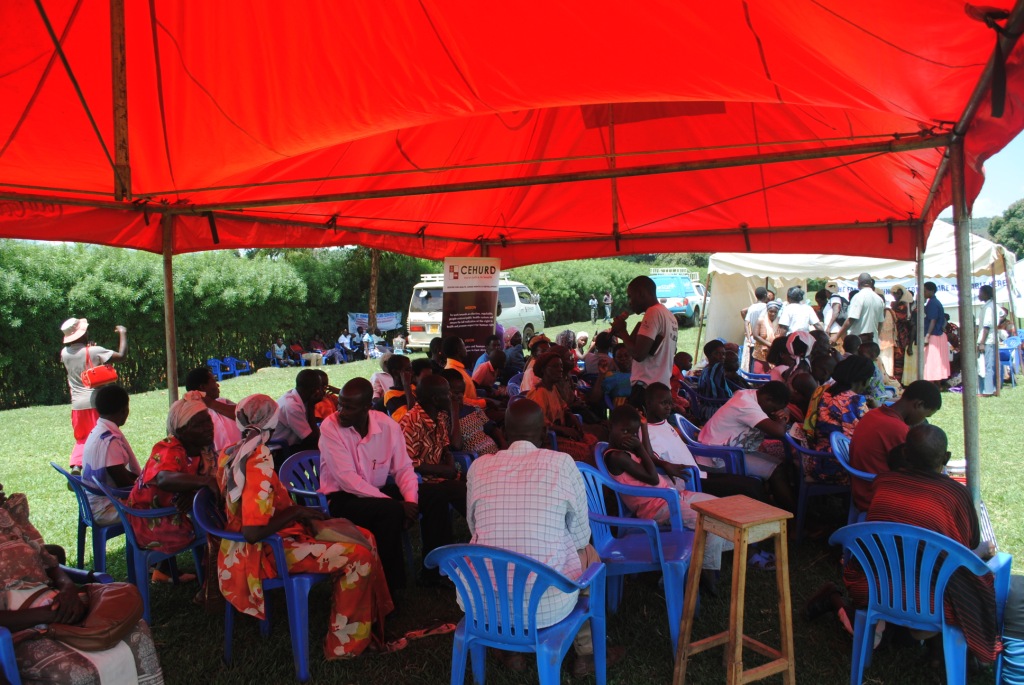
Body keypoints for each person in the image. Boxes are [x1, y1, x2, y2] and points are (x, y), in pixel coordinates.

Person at [216, 394, 393, 659]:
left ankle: (373, 620)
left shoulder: (231, 452)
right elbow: (253, 532)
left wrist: (298, 515)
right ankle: (345, 648)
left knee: (364, 535)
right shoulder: (257, 461)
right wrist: (297, 511)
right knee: (359, 556)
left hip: (259, 544)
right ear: (273, 424)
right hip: (265, 553)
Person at [465, 398, 620, 677]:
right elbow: (581, 536)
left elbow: (473, 526)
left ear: (504, 431)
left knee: (497, 549)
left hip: (483, 605)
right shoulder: (562, 463)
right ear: (543, 434)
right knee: (590, 557)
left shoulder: (478, 467)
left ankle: (512, 651)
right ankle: (587, 653)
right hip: (548, 608)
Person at [846, 425, 1000, 666]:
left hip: (876, 586)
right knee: (970, 574)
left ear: (905, 453)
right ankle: (942, 648)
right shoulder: (955, 494)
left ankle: (903, 633)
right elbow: (967, 547)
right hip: (929, 598)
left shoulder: (883, 482)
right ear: (946, 458)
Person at [0, 482, 164, 683]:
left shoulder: (8, 517)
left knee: (137, 631)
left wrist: (67, 586)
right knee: (79, 672)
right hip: (20, 627)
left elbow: (48, 559)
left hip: (54, 601)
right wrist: (50, 614)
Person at [602, 405, 730, 587]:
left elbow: (648, 453)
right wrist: (638, 449)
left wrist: (643, 429)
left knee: (724, 510)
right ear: (610, 426)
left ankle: (694, 561)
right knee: (711, 521)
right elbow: (653, 478)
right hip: (657, 508)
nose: (629, 437)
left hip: (672, 497)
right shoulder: (617, 457)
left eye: (633, 432)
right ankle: (705, 572)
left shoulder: (629, 450)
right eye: (624, 431)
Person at [318, 378, 419, 594]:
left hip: (375, 493)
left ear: (367, 407)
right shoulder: (330, 426)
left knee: (432, 494)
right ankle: (391, 589)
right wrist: (396, 504)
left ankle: (436, 571)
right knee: (390, 510)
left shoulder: (386, 425)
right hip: (342, 499)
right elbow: (347, 480)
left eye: (349, 407)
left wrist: (410, 502)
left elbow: (403, 468)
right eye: (340, 404)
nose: (341, 411)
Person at [126, 397, 217, 576]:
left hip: (172, 511)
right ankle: (211, 586)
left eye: (207, 420)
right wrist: (204, 484)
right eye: (199, 424)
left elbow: (211, 478)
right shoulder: (169, 449)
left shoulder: (202, 450)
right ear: (182, 430)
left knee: (215, 514)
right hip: (149, 522)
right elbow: (163, 479)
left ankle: (210, 580)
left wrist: (194, 494)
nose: (208, 426)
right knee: (218, 527)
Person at [397, 376, 467, 585]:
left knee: (472, 488)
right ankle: (438, 568)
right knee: (458, 492)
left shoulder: (439, 416)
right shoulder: (411, 422)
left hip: (439, 477)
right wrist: (443, 470)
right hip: (419, 482)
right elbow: (407, 463)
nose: (452, 396)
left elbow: (446, 446)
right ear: (436, 398)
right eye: (447, 393)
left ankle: (481, 543)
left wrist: (448, 461)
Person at [697, 381, 795, 510]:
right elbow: (778, 432)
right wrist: (781, 418)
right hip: (717, 458)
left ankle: (777, 506)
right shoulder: (746, 405)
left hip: (727, 451)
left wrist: (783, 411)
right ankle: (792, 515)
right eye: (774, 409)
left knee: (780, 464)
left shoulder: (749, 395)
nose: (775, 412)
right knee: (777, 471)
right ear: (768, 399)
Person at [848, 380, 942, 512]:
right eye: (926, 415)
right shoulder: (897, 428)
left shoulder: (874, 413)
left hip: (863, 489)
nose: (922, 421)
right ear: (918, 404)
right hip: (875, 497)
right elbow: (915, 472)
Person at [59, 317, 128, 473]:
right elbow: (122, 355)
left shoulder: (64, 353)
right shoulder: (95, 351)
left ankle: (77, 466)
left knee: (82, 438)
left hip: (77, 405)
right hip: (96, 402)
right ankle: (106, 469)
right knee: (104, 438)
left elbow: (78, 356)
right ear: (82, 334)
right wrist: (123, 333)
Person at [610, 275, 678, 407]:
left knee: (642, 427)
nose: (629, 302)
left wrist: (622, 331)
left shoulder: (653, 312)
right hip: (662, 387)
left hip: (646, 388)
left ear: (641, 293)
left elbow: (638, 354)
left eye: (630, 296)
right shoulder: (670, 316)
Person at [804, 355, 875, 482]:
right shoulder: (855, 400)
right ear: (864, 380)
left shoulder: (823, 392)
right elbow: (867, 434)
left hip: (818, 458)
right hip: (839, 465)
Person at [81, 384, 140, 525]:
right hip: (105, 509)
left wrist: (142, 478)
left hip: (93, 503)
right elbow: (123, 484)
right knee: (160, 502)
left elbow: (119, 472)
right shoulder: (110, 441)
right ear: (124, 410)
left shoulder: (97, 431)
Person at [527, 351, 597, 463]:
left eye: (560, 366)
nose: (560, 369)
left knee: (593, 442)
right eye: (555, 366)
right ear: (543, 370)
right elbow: (541, 424)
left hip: (560, 434)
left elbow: (563, 406)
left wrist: (570, 416)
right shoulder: (538, 393)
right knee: (586, 453)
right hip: (548, 441)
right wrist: (564, 430)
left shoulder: (552, 387)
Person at [442, 369, 504, 456]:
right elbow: (456, 446)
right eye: (456, 393)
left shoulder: (473, 409)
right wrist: (454, 412)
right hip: (475, 461)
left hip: (495, 453)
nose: (460, 396)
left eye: (462, 393)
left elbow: (492, 428)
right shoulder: (443, 418)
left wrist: (503, 445)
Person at [274, 369, 325, 466]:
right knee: (320, 447)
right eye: (322, 387)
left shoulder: (298, 396)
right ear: (315, 389)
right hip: (279, 451)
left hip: (292, 443)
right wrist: (311, 406)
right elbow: (311, 439)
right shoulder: (292, 406)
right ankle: (315, 480)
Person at [184, 366, 241, 452]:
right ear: (203, 387)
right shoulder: (191, 414)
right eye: (214, 381)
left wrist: (211, 403)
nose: (217, 385)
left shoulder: (222, 402)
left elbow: (244, 415)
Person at [837, 273, 885, 344]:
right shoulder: (879, 299)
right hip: (873, 342)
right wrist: (876, 337)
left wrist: (836, 337)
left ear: (859, 283)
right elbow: (880, 323)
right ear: (871, 283)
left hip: (858, 342)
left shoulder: (858, 297)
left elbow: (850, 320)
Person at [883, 284, 914, 382]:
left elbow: (900, 317)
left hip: (902, 333)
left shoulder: (903, 305)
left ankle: (899, 380)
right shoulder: (897, 304)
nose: (894, 296)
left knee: (899, 356)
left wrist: (890, 310)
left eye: (895, 294)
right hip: (897, 332)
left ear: (900, 293)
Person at [741, 287, 770, 373]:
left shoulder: (752, 307)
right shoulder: (766, 307)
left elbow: (746, 322)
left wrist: (749, 337)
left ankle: (753, 379)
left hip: (753, 339)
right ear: (765, 295)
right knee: (763, 363)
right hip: (764, 340)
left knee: (753, 361)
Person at [978, 284, 999, 396]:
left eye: (980, 293)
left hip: (987, 341)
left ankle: (988, 390)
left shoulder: (989, 307)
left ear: (985, 294)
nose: (978, 295)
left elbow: (986, 327)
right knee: (984, 365)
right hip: (986, 340)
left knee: (987, 366)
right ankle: (988, 389)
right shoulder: (989, 306)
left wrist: (982, 342)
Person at [751, 300, 781, 373]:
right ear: (767, 311)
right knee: (758, 373)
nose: (773, 314)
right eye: (771, 311)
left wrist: (774, 347)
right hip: (761, 354)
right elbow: (755, 336)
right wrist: (770, 345)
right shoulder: (761, 320)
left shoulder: (780, 322)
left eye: (775, 312)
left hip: (774, 354)